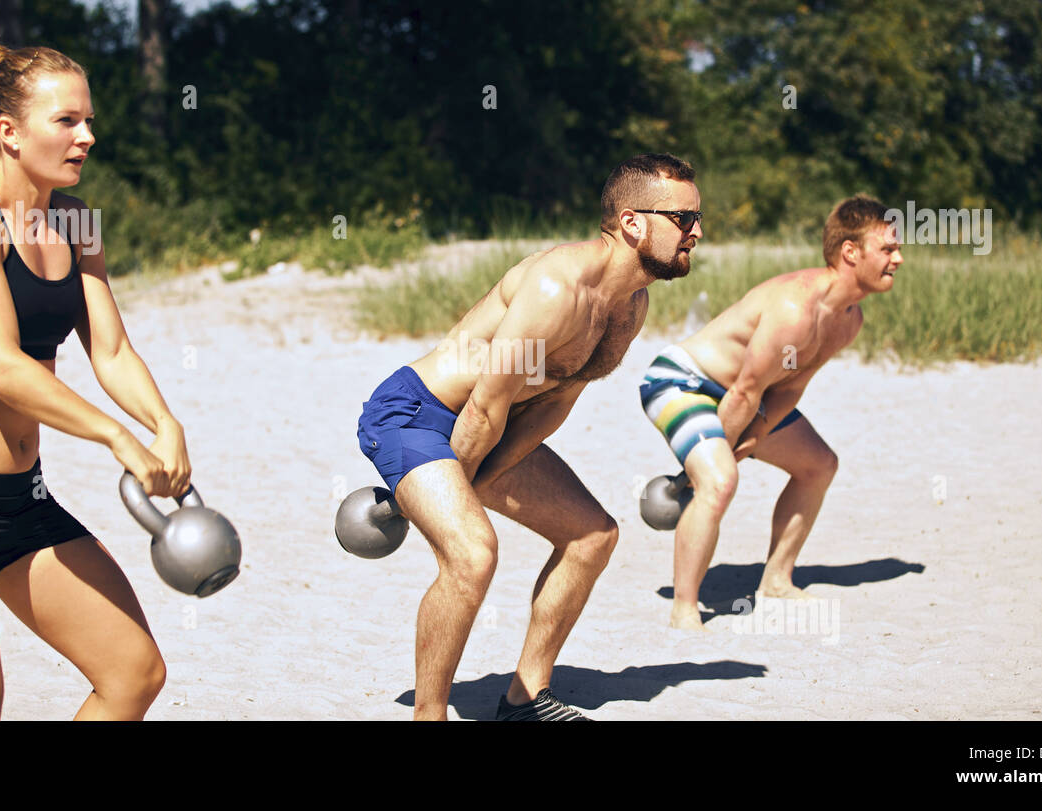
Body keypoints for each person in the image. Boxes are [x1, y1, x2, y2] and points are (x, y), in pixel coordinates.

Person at [0, 43, 190, 720]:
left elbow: (110, 350)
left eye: (89, 120)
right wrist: (115, 435)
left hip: (23, 503)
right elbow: (0, 366)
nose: (88, 136)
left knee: (134, 673)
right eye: (67, 120)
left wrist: (164, 423)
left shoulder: (77, 224)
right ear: (9, 133)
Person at [356, 154, 702, 720]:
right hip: (418, 415)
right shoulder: (554, 288)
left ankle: (525, 701)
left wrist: (484, 476)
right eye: (684, 219)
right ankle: (429, 715)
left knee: (592, 537)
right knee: (473, 554)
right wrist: (456, 494)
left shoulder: (629, 305)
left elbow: (556, 401)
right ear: (633, 222)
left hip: (497, 427)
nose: (697, 232)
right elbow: (484, 408)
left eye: (697, 217)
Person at [639, 195, 902, 631]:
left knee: (819, 465)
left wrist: (752, 442)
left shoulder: (847, 319)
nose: (898, 258)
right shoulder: (794, 310)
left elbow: (790, 389)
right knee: (720, 481)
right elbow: (745, 392)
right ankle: (684, 609)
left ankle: (777, 579)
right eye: (888, 249)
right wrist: (712, 463)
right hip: (680, 382)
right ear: (850, 253)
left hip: (747, 394)